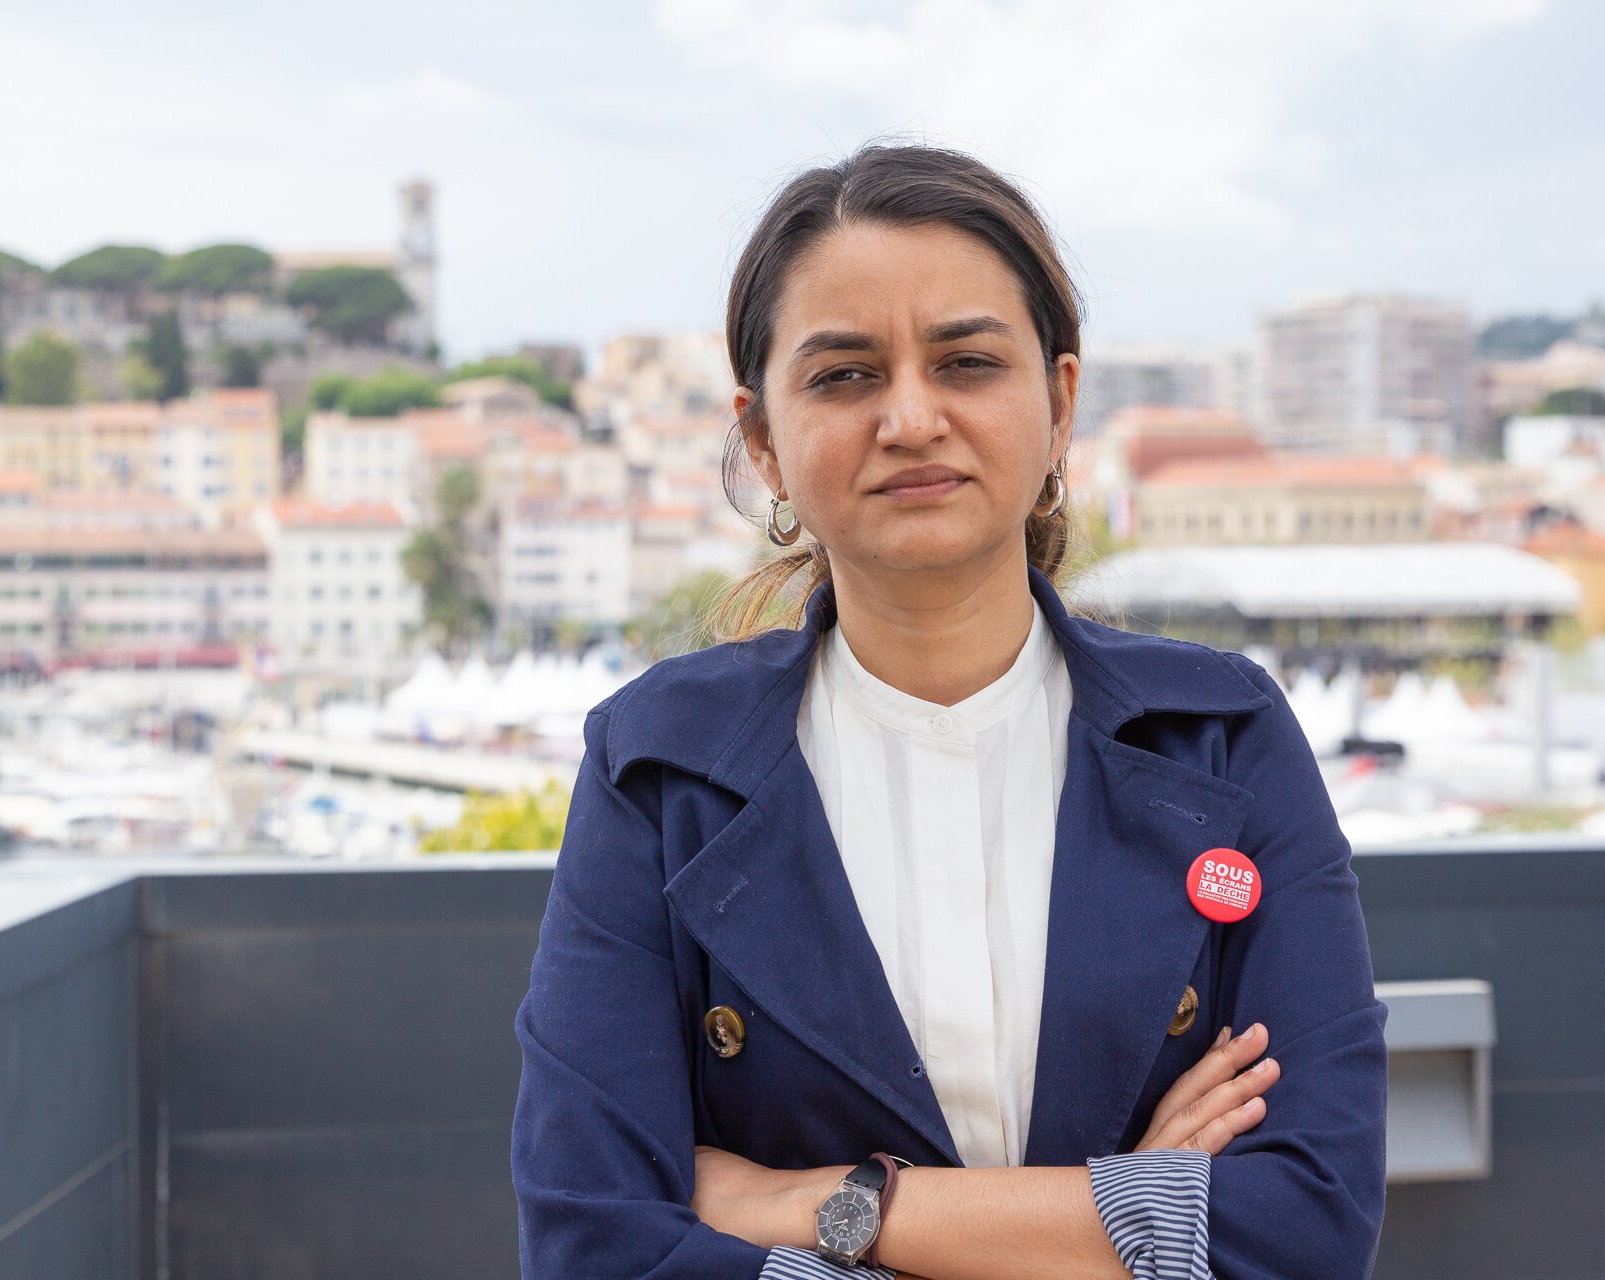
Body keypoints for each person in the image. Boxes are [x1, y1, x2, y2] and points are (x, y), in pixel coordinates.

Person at [510, 142, 1387, 1280]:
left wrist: (824, 1204)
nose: (911, 417)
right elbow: (591, 1244)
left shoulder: (1224, 736)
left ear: (1061, 400)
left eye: (966, 362)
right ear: (764, 437)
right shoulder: (658, 765)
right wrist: (1133, 1216)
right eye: (844, 375)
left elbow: (1307, 1227)